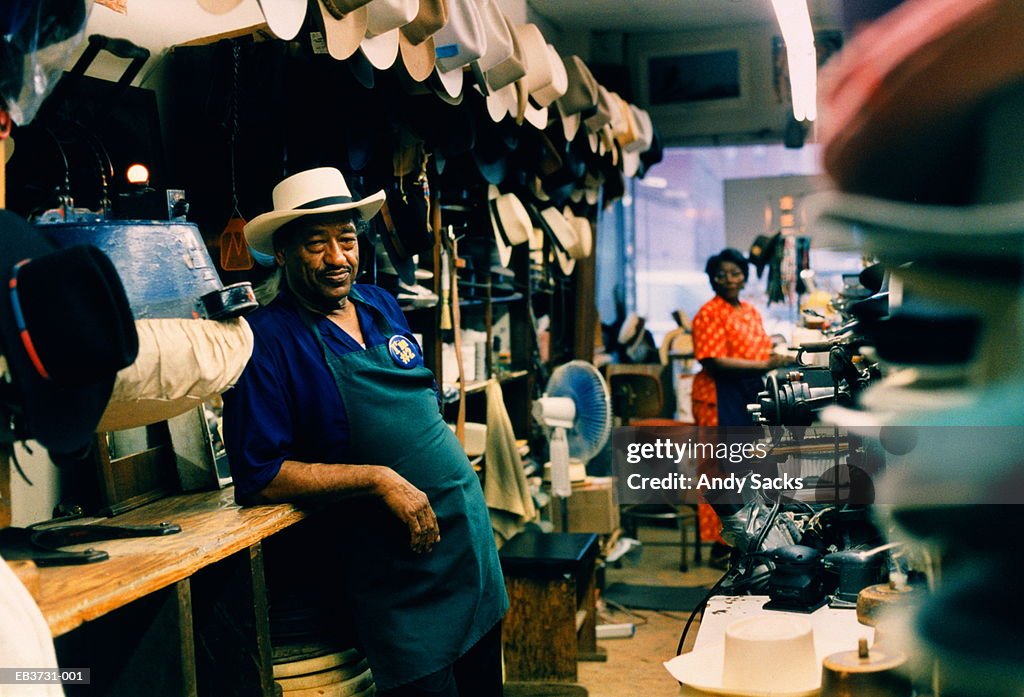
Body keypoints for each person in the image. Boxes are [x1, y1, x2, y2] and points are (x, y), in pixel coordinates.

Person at [223, 167, 508, 697]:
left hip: (468, 549)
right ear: (281, 254)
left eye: (347, 239)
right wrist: (378, 478)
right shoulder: (266, 340)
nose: (337, 258)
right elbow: (259, 474)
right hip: (398, 572)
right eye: (316, 244)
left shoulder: (381, 303)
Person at [691, 248, 790, 567]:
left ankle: (750, 539)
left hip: (746, 393)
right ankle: (723, 543)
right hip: (718, 397)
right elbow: (714, 361)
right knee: (720, 471)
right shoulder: (709, 312)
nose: (729, 279)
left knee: (746, 468)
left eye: (735, 273)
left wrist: (774, 352)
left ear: (745, 276)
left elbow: (757, 346)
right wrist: (765, 364)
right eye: (721, 274)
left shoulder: (748, 310)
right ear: (711, 279)